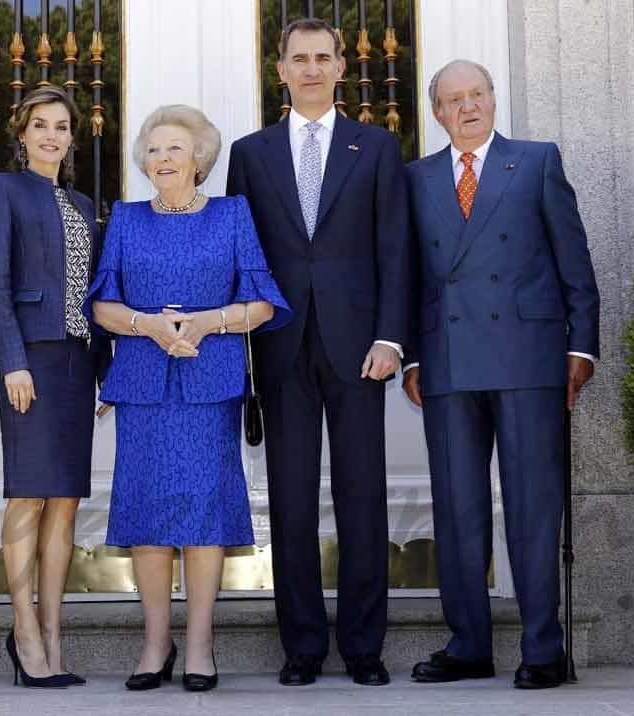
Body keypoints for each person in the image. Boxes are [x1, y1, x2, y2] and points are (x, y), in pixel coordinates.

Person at [402, 59, 600, 690]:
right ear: (437, 112)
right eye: (454, 100)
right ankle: (469, 644)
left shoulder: (537, 161)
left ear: (493, 99)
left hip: (529, 356)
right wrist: (408, 354)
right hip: (447, 359)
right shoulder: (415, 178)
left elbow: (576, 258)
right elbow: (405, 276)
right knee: (458, 508)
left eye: (478, 95)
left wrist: (583, 347)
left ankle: (544, 649)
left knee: (533, 506)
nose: (469, 107)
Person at [226, 18, 411, 687]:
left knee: (364, 496)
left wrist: (391, 337)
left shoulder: (377, 147)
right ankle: (301, 645)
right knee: (291, 499)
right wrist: (240, 346)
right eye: (297, 59)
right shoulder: (250, 154)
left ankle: (364, 646)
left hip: (360, 346)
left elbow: (395, 247)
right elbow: (242, 256)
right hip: (279, 345)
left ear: (341, 68)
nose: (309, 68)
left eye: (321, 58)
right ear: (279, 70)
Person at [86, 104, 291, 693]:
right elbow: (101, 305)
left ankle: (200, 644)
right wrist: (148, 326)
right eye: (153, 150)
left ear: (200, 158)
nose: (163, 159)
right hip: (145, 386)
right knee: (148, 515)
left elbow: (263, 303)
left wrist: (207, 322)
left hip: (209, 384)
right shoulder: (126, 218)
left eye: (175, 148)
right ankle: (156, 643)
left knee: (204, 515)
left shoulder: (232, 215)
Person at [0, 85, 110, 688]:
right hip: (30, 360)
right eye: (40, 126)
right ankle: (23, 630)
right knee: (27, 495)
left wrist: (106, 371)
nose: (51, 136)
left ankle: (55, 633)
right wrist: (12, 361)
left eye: (61, 127)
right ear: (21, 134)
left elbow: (97, 294)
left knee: (65, 501)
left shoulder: (83, 203)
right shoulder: (3, 190)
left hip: (77, 364)